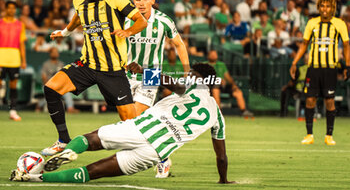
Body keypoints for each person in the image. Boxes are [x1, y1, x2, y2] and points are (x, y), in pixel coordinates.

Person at [10, 62, 234, 185]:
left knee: (90, 140)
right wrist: (223, 180)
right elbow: (221, 156)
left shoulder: (194, 85)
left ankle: (68, 150)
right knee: (93, 172)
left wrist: (147, 72)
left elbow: (174, 84)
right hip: (155, 152)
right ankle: (35, 177)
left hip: (142, 128)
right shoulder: (217, 115)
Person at [40, 0, 147, 156]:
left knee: (131, 124)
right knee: (51, 88)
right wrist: (65, 32)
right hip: (87, 64)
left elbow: (141, 21)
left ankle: (157, 154)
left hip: (113, 70)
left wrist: (128, 31)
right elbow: (79, 17)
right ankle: (63, 140)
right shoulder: (79, 0)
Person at [290, 0, 350, 145]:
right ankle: (309, 135)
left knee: (330, 101)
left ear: (333, 8)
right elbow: (304, 44)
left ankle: (329, 136)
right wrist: (294, 62)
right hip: (314, 68)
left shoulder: (339, 24)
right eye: (322, 6)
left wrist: (348, 65)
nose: (325, 9)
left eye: (328, 6)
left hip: (330, 69)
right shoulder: (312, 23)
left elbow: (347, 46)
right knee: (310, 99)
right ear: (318, 8)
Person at [125, 0, 189, 116]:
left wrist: (186, 71)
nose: (141, 3)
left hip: (151, 74)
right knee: (128, 119)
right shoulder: (125, 20)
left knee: (135, 116)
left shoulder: (164, 21)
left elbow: (179, 44)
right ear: (133, 1)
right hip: (125, 74)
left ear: (152, 1)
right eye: (138, 0)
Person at [0, 1, 26, 121]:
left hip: (14, 59)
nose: (11, 10)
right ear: (5, 9)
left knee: (13, 86)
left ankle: (13, 111)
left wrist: (23, 60)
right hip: (1, 57)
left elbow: (21, 44)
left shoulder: (20, 25)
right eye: (9, 8)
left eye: (13, 8)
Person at [207, 50, 253, 117]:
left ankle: (244, 111)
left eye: (215, 54)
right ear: (208, 56)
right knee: (215, 90)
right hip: (211, 86)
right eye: (212, 54)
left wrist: (233, 85)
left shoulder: (221, 65)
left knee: (238, 92)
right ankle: (218, 113)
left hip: (223, 86)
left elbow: (228, 77)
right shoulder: (204, 64)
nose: (214, 55)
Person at [37, 47, 79, 113]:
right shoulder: (46, 64)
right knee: (52, 94)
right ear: (50, 54)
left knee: (67, 92)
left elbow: (65, 76)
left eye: (56, 52)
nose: (55, 54)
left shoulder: (61, 64)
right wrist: (49, 85)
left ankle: (70, 108)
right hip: (49, 85)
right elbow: (44, 77)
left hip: (59, 85)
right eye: (53, 52)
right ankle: (40, 104)